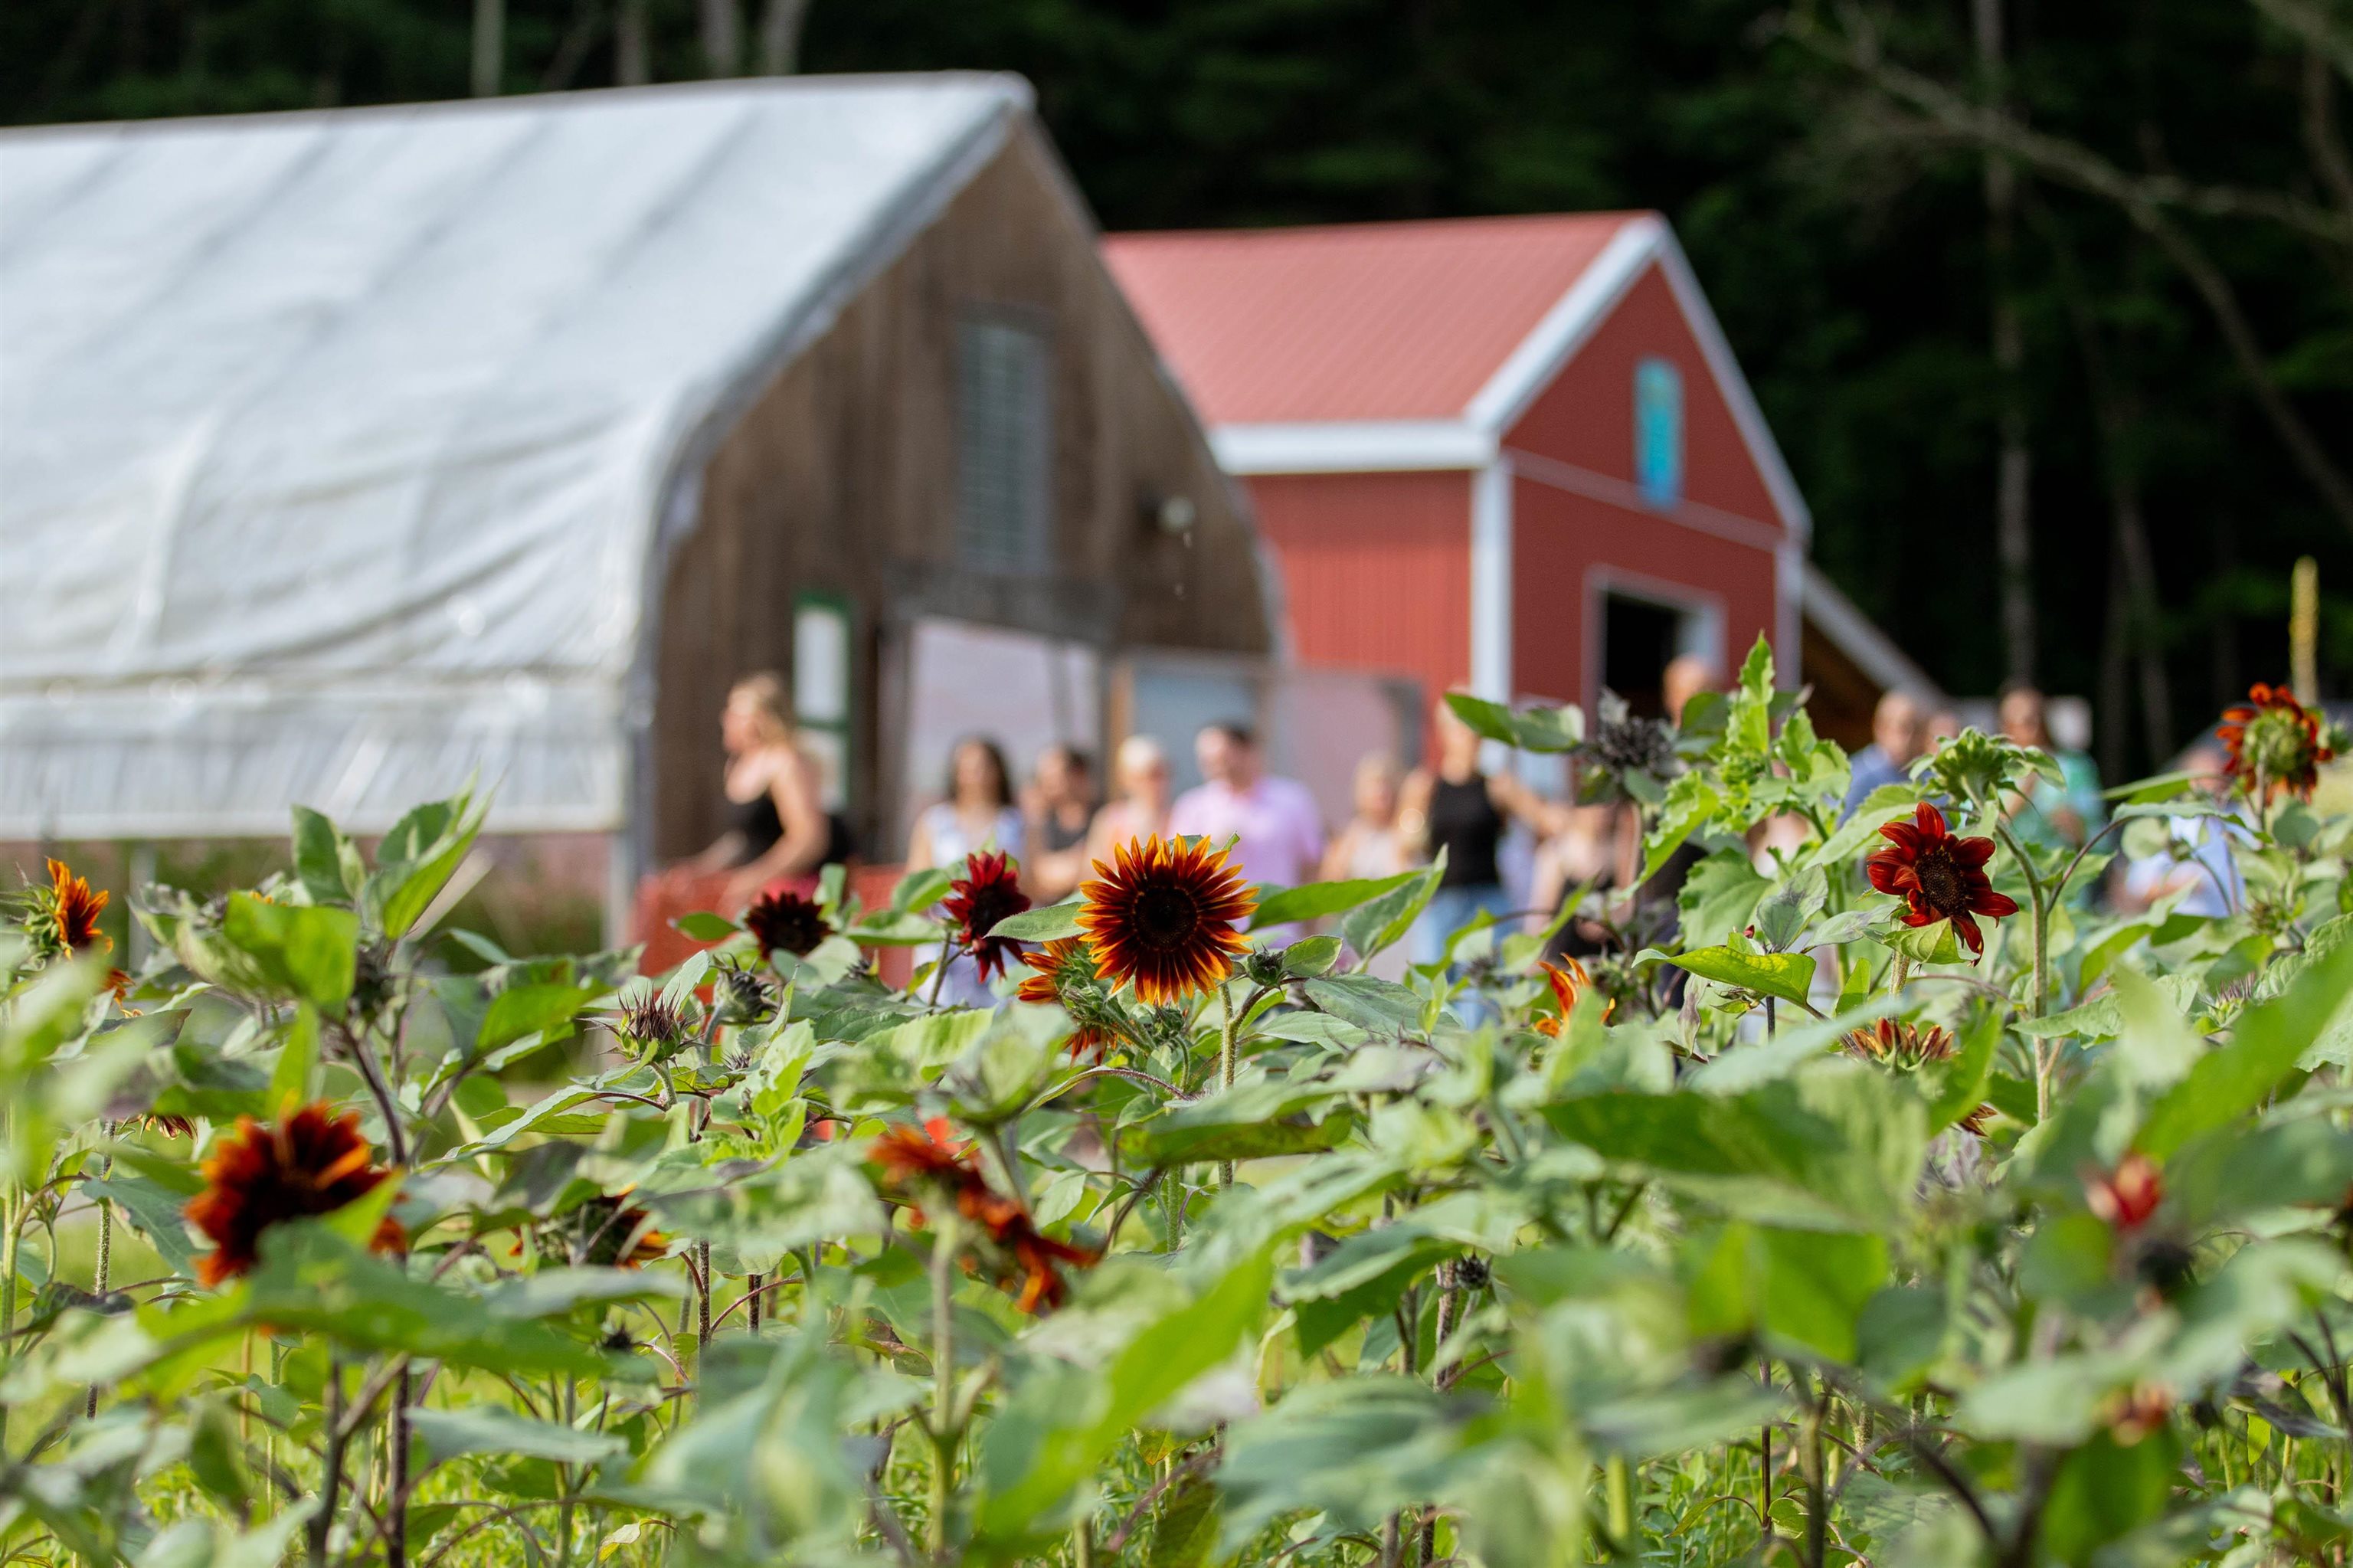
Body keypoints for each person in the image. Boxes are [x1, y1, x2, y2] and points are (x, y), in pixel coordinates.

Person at [1399, 699, 1564, 962]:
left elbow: (1544, 819)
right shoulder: (1425, 786)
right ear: (1445, 733)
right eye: (1463, 728)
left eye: (1477, 730)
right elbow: (1404, 845)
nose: (1471, 738)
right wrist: (1414, 893)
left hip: (1487, 901)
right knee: (1432, 990)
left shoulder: (1498, 786)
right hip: (1441, 902)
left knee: (1483, 990)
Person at [682, 672, 846, 912]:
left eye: (736, 712)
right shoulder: (738, 765)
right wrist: (700, 869)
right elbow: (747, 838)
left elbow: (809, 838)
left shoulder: (786, 762)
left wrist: (755, 877)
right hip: (761, 892)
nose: (725, 719)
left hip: (796, 893)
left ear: (760, 719)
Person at [1168, 723, 1324, 942]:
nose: (1211, 766)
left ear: (1248, 751)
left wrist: (1312, 926)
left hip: (1279, 931)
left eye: (1221, 758)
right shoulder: (1193, 806)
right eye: (1205, 759)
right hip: (1215, 935)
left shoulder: (1292, 799)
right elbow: (1175, 870)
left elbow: (1310, 866)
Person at [2117, 739, 2244, 918]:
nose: (2217, 784)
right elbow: (2138, 887)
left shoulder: (2238, 821)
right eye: (2209, 778)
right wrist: (2183, 886)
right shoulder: (2174, 828)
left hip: (2235, 928)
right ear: (2191, 783)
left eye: (2220, 776)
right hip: (2190, 930)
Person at [1998, 682, 2106, 850]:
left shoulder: (2074, 765)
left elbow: (2100, 831)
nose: (2034, 728)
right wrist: (2015, 804)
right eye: (2025, 721)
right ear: (2006, 725)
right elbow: (1975, 835)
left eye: (2038, 717)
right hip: (2007, 869)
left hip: (2063, 866)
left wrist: (2078, 830)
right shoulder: (1992, 767)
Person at [908, 737, 1026, 873]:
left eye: (984, 767)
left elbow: (1034, 878)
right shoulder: (935, 821)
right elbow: (918, 876)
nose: (978, 776)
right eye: (968, 769)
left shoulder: (1017, 821)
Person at [1024, 745, 1097, 902]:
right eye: (1043, 776)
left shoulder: (1104, 818)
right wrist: (1079, 859)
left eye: (1054, 775)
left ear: (1079, 774)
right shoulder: (1041, 825)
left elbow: (1096, 874)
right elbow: (1037, 877)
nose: (1047, 782)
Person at [1087, 736, 1174, 866]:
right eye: (1150, 775)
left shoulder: (1180, 816)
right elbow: (1092, 871)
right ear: (1127, 779)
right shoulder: (1109, 820)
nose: (1159, 783)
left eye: (1162, 774)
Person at [1323, 755, 1407, 883]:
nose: (1380, 793)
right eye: (1374, 787)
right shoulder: (1350, 836)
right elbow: (1330, 881)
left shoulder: (1404, 830)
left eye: (1385, 787)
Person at [1842, 689, 1924, 818]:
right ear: (1881, 728)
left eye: (1918, 730)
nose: (1910, 740)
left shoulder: (1924, 777)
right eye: (1904, 729)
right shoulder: (1857, 777)